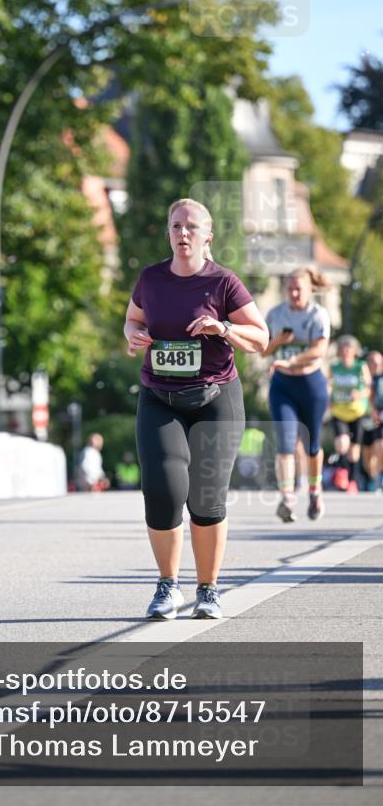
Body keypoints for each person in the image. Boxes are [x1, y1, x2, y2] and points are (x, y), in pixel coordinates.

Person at [125, 198, 268, 621]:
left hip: (215, 399)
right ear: (167, 233)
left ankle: (208, 589)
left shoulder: (223, 283)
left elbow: (260, 338)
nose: (182, 234)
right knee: (163, 491)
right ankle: (167, 586)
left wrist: (222, 327)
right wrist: (134, 336)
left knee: (206, 499)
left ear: (208, 236)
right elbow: (132, 321)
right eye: (175, 226)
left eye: (191, 227)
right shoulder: (151, 279)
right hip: (159, 397)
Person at [262, 269, 331, 522]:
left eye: (298, 289)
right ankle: (287, 498)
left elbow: (319, 349)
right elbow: (263, 350)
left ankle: (315, 492)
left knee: (312, 446)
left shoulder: (317, 314)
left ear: (309, 289)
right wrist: (278, 342)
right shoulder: (275, 314)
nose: (293, 293)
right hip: (282, 386)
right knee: (285, 442)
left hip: (311, 385)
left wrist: (292, 360)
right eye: (289, 288)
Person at [328, 336, 372, 493]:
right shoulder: (334, 367)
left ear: (355, 350)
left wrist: (359, 394)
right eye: (343, 348)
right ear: (339, 351)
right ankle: (342, 471)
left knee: (354, 449)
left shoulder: (361, 367)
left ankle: (352, 481)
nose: (346, 351)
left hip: (357, 412)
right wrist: (328, 398)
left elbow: (368, 389)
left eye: (349, 348)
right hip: (339, 411)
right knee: (341, 443)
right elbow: (328, 384)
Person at [363, 350, 383, 490]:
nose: (376, 365)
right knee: (367, 454)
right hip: (363, 418)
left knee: (380, 447)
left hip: (379, 418)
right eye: (373, 362)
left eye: (378, 362)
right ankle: (371, 477)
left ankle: (379, 479)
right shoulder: (361, 377)